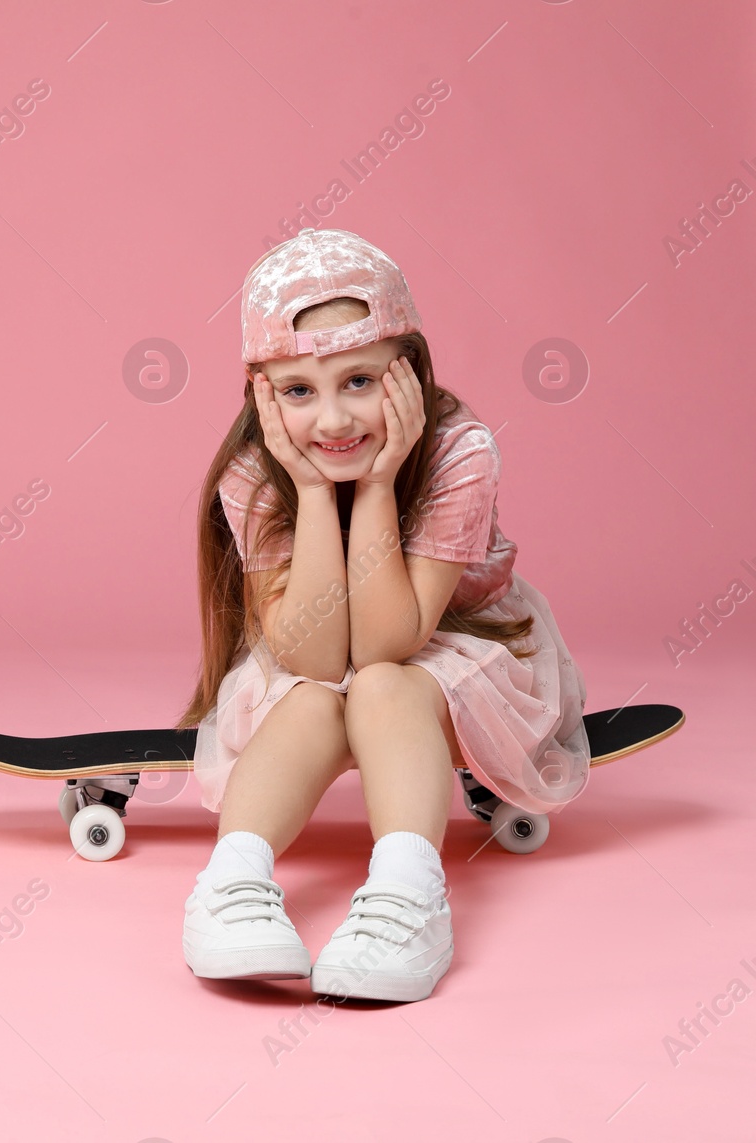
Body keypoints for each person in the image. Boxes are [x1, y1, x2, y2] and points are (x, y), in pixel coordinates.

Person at [178, 227, 590, 1002]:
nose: (333, 421)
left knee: (385, 685)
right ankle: (230, 884)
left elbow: (389, 642)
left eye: (360, 380)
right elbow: (314, 657)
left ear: (409, 370)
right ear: (262, 393)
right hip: (324, 648)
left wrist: (376, 483)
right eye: (299, 390)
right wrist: (305, 491)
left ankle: (409, 894)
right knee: (309, 698)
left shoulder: (458, 450)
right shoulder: (255, 472)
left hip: (456, 644)